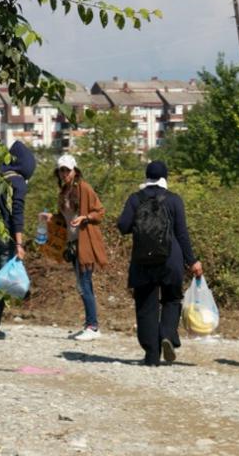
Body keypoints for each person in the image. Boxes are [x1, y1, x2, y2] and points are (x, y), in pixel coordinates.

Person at [116, 161, 202, 366]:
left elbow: (123, 226)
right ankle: (166, 334)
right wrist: (192, 261)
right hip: (171, 259)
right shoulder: (174, 200)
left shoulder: (135, 199)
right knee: (172, 299)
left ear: (146, 177)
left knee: (146, 306)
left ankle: (151, 356)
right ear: (165, 177)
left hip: (142, 260)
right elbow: (182, 233)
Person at [0, 141, 35, 339]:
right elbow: (17, 215)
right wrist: (19, 244)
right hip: (4, 238)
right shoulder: (17, 182)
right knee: (2, 281)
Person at [55, 154, 109, 341]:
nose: (64, 174)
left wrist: (85, 217)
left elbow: (100, 212)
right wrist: (50, 219)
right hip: (72, 243)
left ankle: (92, 326)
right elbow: (64, 219)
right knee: (83, 285)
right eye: (61, 170)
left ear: (75, 170)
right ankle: (90, 323)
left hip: (85, 242)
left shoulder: (84, 189)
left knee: (84, 284)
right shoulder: (64, 192)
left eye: (67, 170)